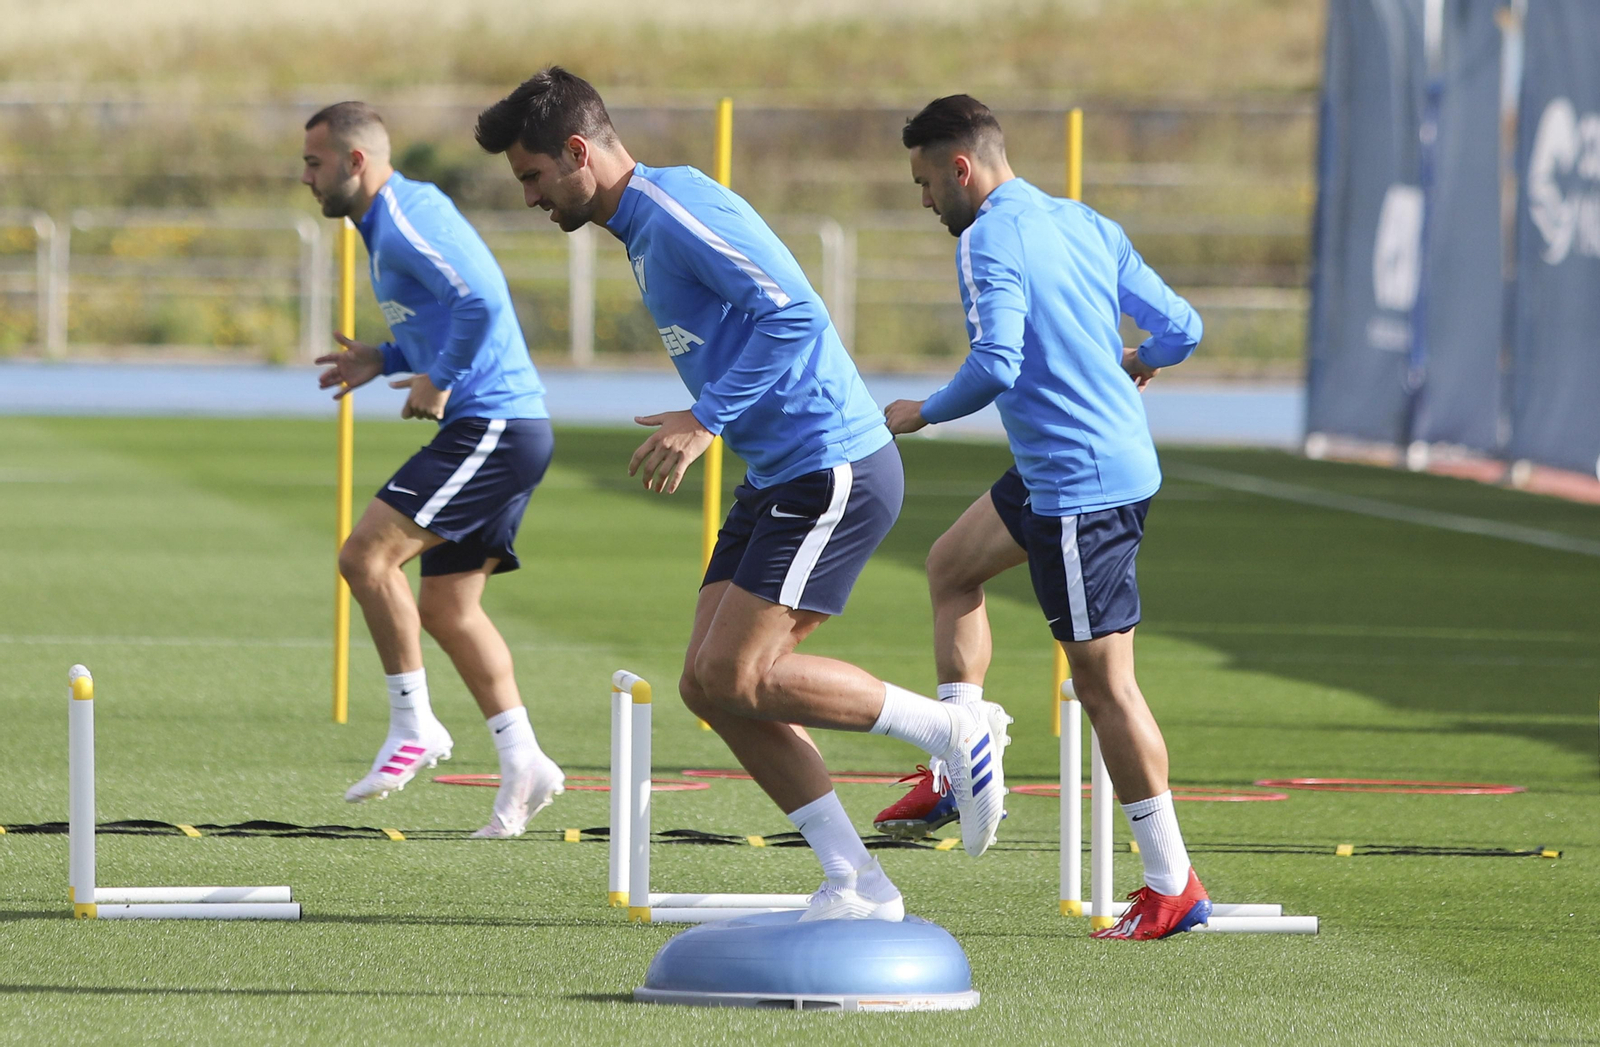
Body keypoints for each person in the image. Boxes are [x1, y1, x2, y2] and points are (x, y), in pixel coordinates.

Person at [474, 68, 1010, 920]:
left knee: (740, 670)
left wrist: (704, 418)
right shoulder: (638, 225)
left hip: (832, 464)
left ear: (579, 152)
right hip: (781, 473)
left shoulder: (672, 208)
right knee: (706, 684)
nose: (531, 198)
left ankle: (953, 731)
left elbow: (794, 313)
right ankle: (858, 881)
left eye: (534, 177)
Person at [879, 95, 1210, 940]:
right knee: (951, 567)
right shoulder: (1083, 220)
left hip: (1080, 489)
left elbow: (996, 361)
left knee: (1105, 687)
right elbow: (1183, 326)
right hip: (1063, 469)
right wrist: (1139, 360)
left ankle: (1172, 883)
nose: (923, 202)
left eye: (924, 183)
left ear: (962, 168)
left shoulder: (988, 236)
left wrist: (922, 411)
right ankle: (958, 757)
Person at [301, 101, 564, 838]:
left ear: (357, 162)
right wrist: (384, 358)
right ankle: (526, 762)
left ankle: (414, 724)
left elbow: (481, 300)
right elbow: (448, 315)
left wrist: (440, 376)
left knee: (365, 555)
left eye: (314, 163)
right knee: (448, 608)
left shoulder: (407, 213)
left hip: (497, 424)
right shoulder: (381, 224)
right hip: (503, 427)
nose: (305, 178)